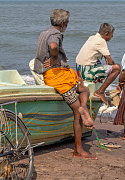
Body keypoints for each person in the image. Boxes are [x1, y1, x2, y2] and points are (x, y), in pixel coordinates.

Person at [34, 9, 96, 159]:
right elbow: (54, 46)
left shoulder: (45, 32)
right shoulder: (55, 34)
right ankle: (78, 150)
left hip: (60, 74)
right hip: (56, 77)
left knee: (84, 89)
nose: (67, 25)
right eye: (67, 23)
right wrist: (54, 57)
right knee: (77, 115)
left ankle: (83, 107)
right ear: (62, 24)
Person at [75, 23, 121, 105]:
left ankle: (100, 88)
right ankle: (100, 91)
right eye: (111, 35)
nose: (112, 37)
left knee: (99, 62)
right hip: (86, 72)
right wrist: (110, 62)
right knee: (117, 68)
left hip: (79, 70)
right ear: (106, 34)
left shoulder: (92, 37)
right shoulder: (101, 41)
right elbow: (110, 62)